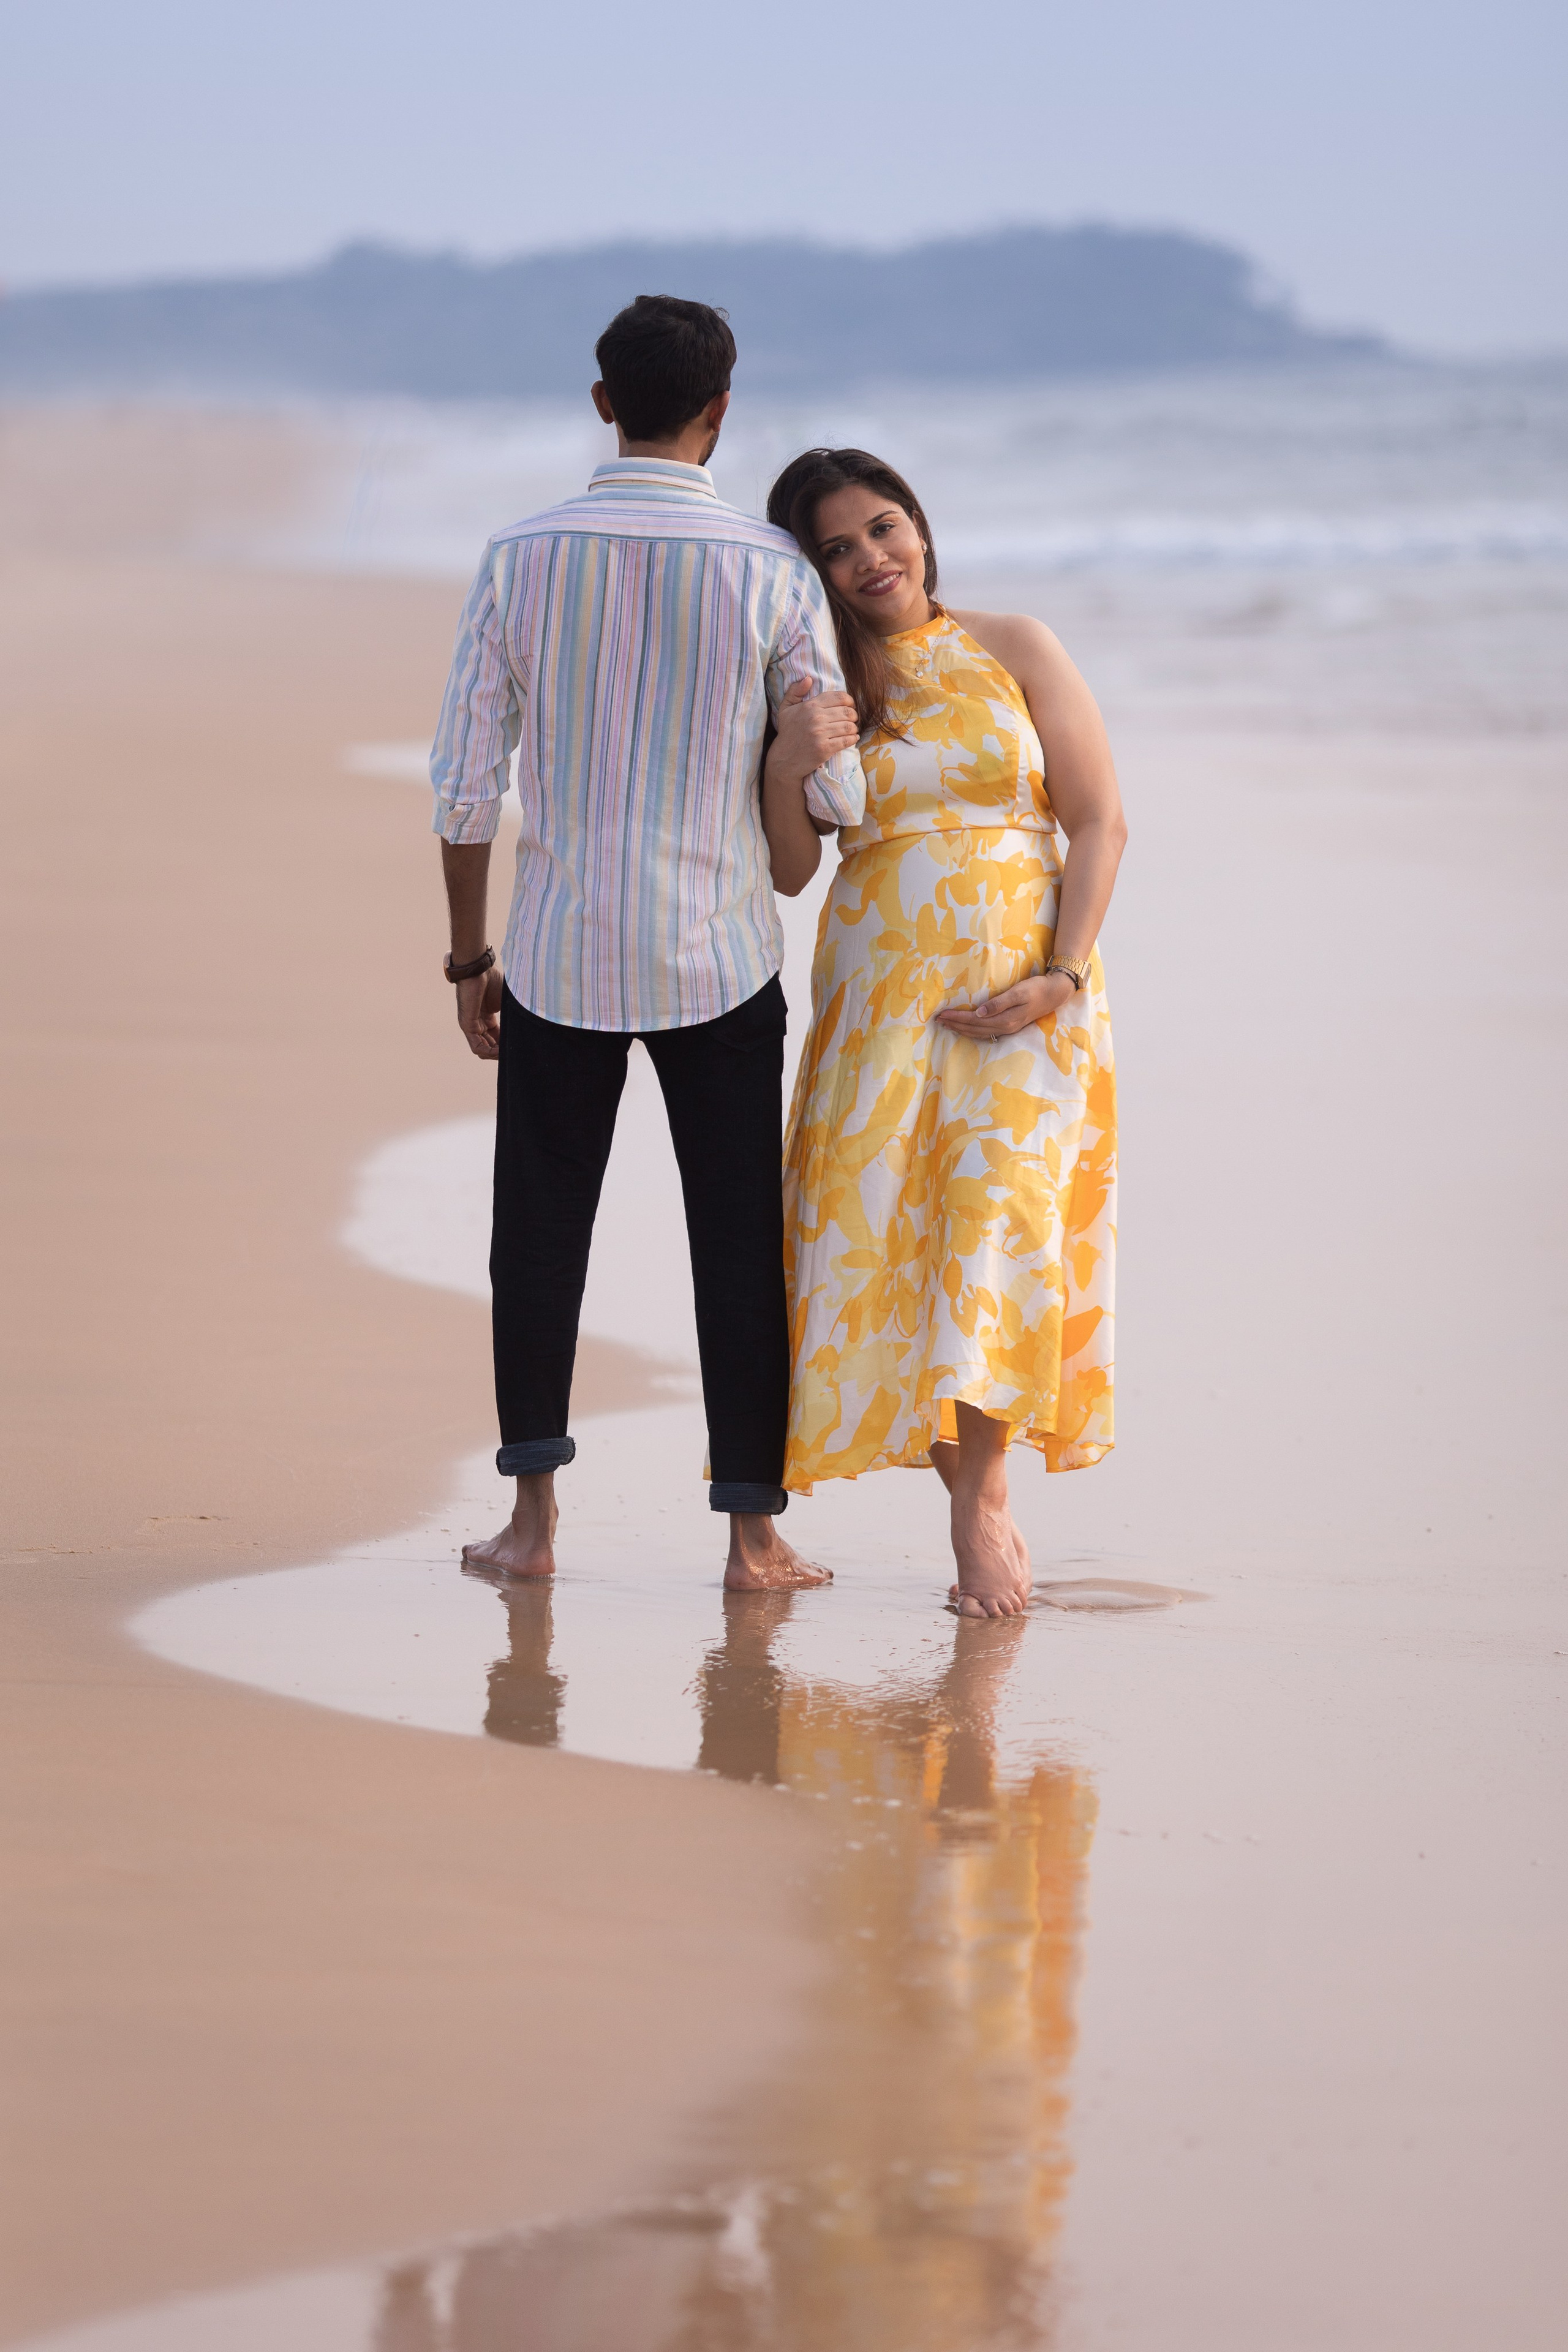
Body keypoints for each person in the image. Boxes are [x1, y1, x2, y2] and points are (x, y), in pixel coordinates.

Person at [430, 299, 866, 1591]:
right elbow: (833, 798)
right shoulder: (773, 571)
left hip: (559, 954)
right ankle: (751, 1538)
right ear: (721, 412)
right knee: (735, 1235)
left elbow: (464, 786)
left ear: (602, 402)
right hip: (720, 954)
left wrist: (469, 960)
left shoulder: (516, 557)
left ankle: (531, 1528)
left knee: (537, 1234)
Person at [760, 448, 1125, 1618]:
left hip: (1028, 995)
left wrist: (1059, 975)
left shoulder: (1013, 644)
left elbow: (1099, 818)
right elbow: (790, 865)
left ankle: (982, 1503)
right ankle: (956, 1488)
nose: (872, 558)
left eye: (884, 527)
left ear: (919, 524)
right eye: (837, 547)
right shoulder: (816, 687)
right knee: (888, 1242)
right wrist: (786, 758)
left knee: (996, 1232)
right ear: (811, 572)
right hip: (879, 1001)